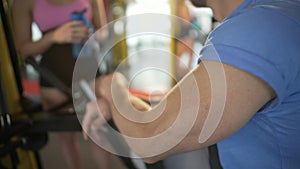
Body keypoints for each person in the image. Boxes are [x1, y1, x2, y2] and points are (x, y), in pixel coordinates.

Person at [83, 0, 300, 169]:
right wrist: (118, 106)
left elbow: (152, 138)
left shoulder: (257, 28)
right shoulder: (282, 14)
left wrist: (112, 86)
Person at [12, 0, 110, 169]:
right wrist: (54, 36)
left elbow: (103, 32)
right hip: (52, 79)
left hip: (89, 73)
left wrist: (92, 33)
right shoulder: (23, 3)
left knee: (99, 132)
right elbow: (23, 50)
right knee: (66, 137)